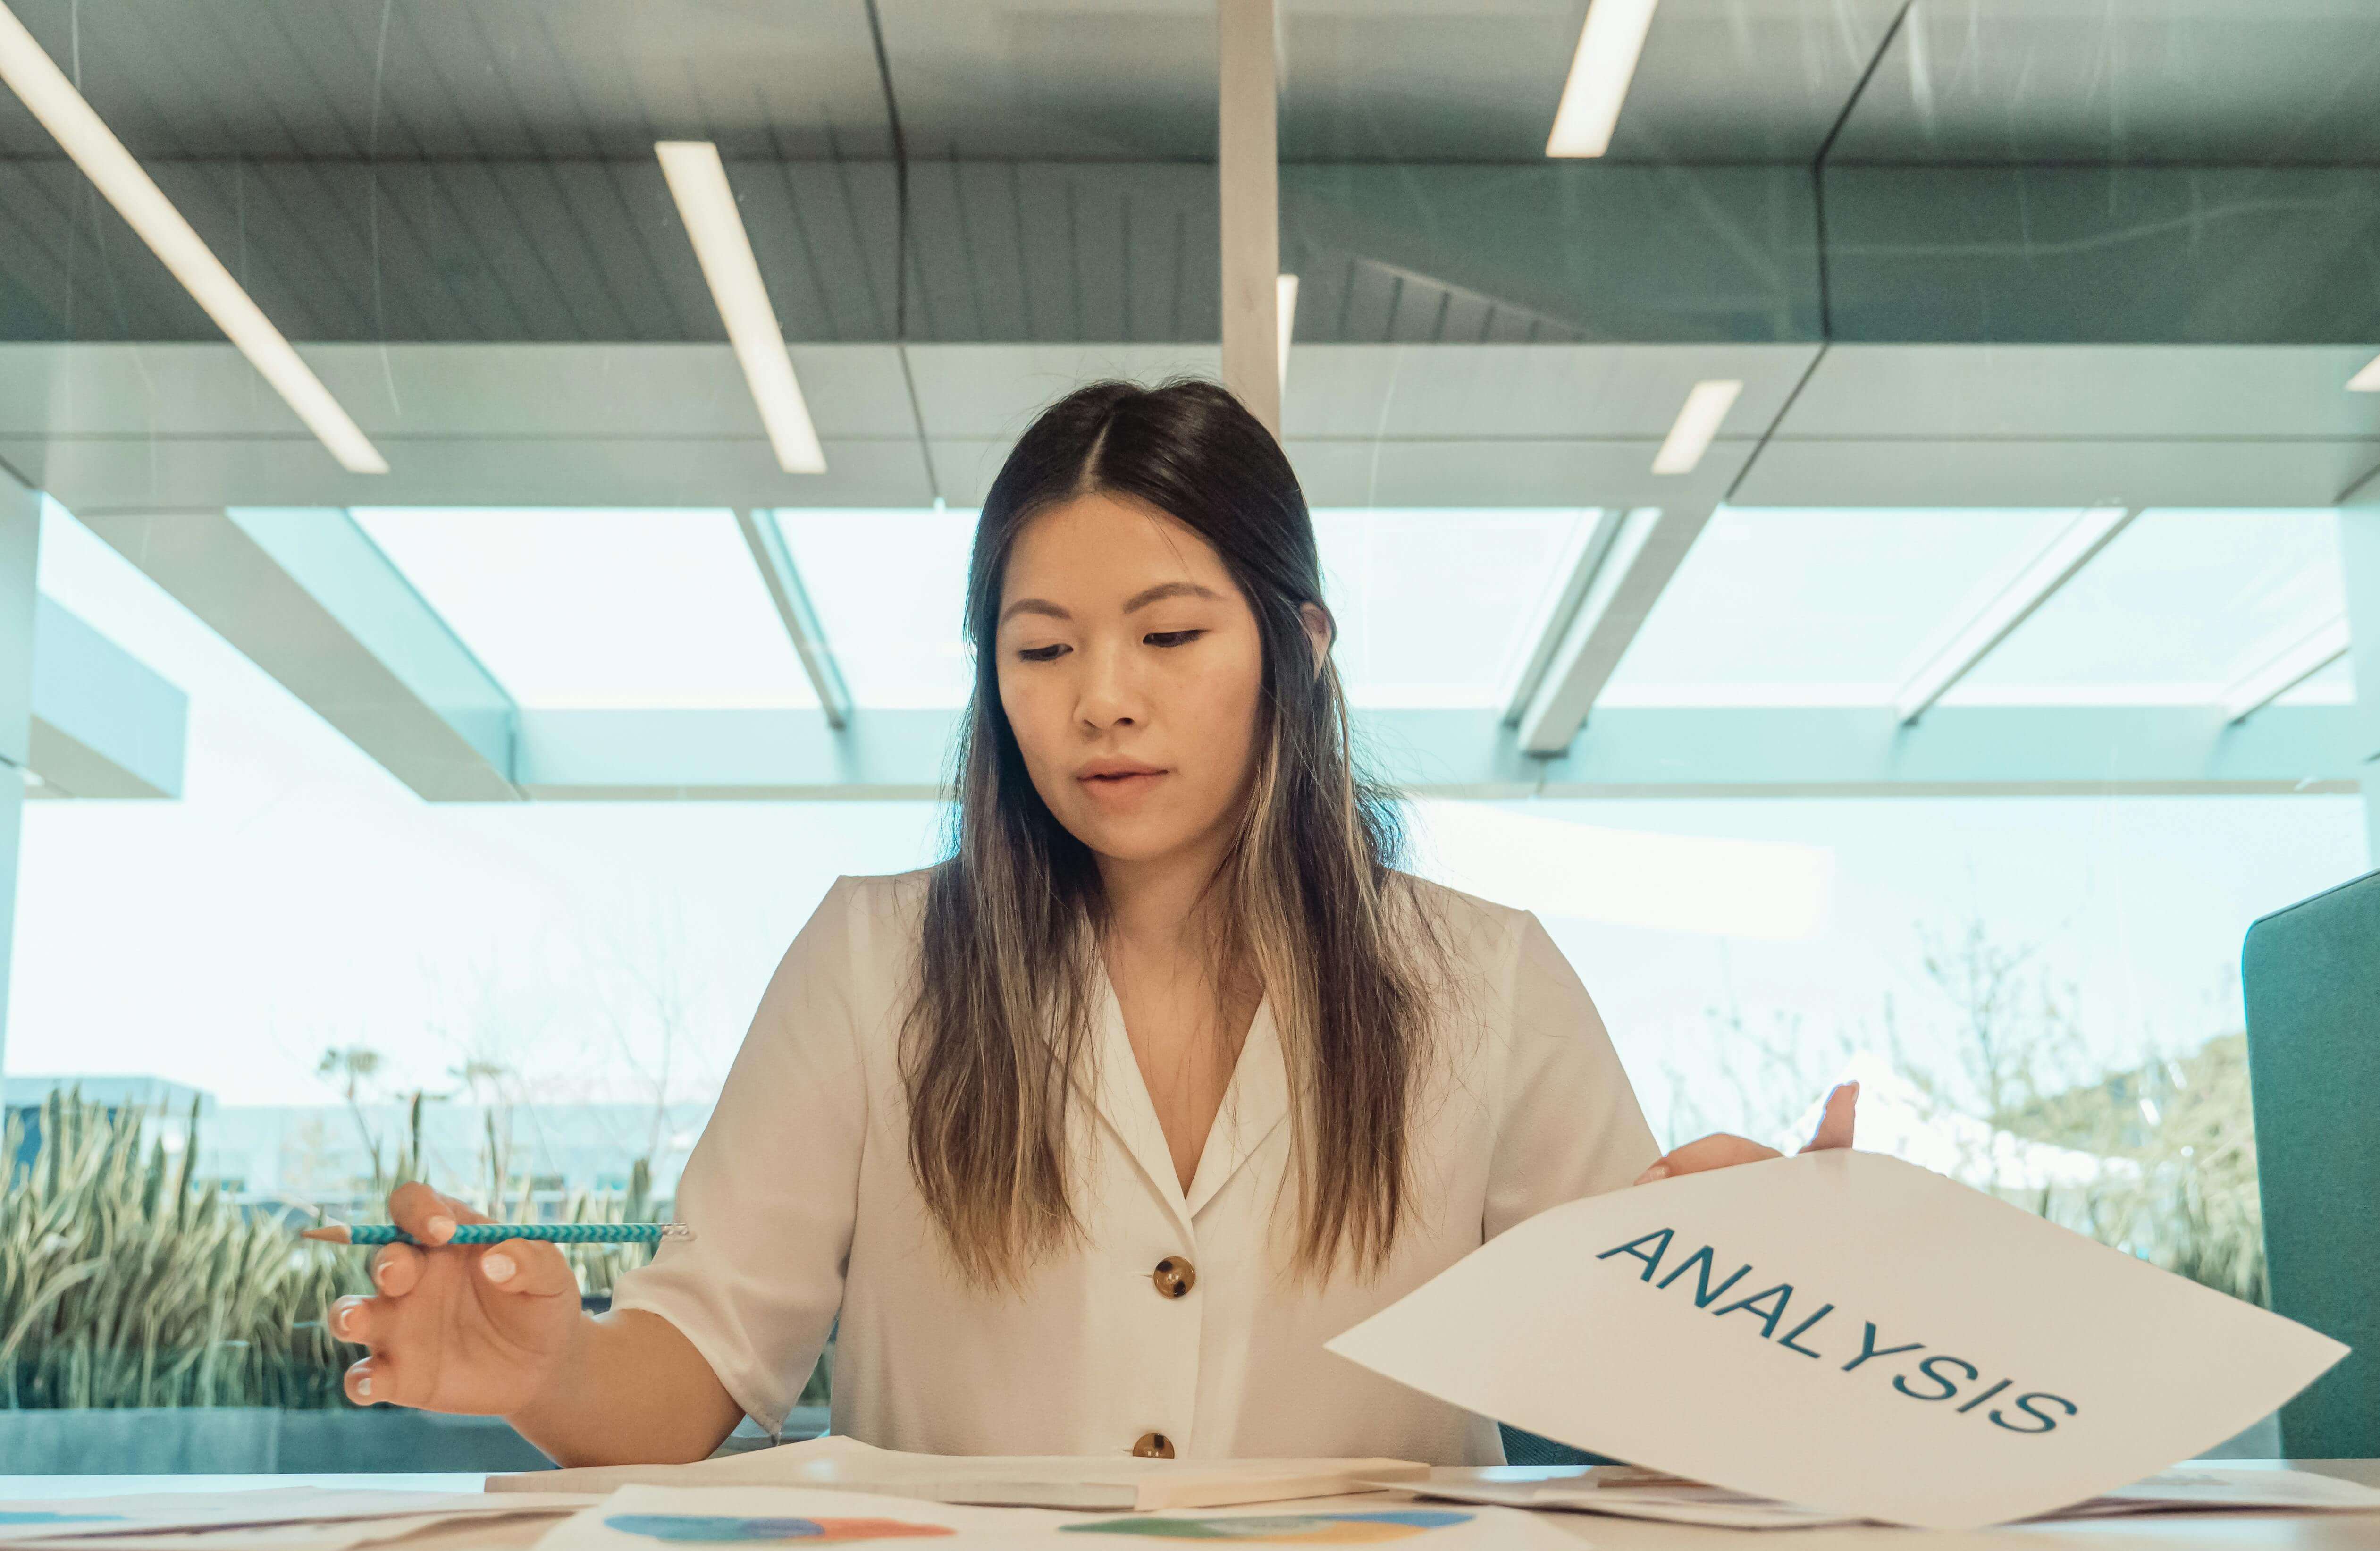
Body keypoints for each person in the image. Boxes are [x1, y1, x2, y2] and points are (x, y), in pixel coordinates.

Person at [328, 379, 1855, 1468]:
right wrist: (552, 1368)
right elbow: (694, 1371)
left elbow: (1635, 1406)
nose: (1101, 699)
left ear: (1301, 647)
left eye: (1172, 635)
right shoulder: (872, 967)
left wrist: (1788, 1292)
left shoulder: (1483, 981)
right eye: (1041, 646)